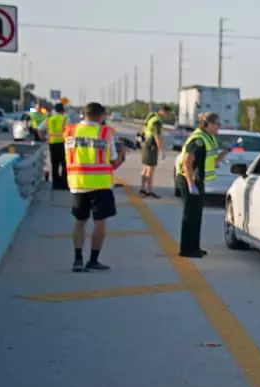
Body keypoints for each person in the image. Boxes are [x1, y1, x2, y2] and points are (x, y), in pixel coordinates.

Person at [65, 102, 126, 272]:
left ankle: (77, 259)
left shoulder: (70, 130)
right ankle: (93, 260)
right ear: (101, 116)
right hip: (100, 184)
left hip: (78, 183)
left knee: (79, 221)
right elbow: (113, 161)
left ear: (84, 114)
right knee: (99, 223)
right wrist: (122, 154)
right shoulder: (105, 133)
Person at [175, 112, 233, 257]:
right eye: (217, 124)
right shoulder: (198, 140)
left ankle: (195, 247)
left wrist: (227, 151)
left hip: (198, 180)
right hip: (189, 179)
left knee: (197, 215)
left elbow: (211, 161)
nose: (219, 127)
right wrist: (190, 184)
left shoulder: (209, 138)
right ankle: (186, 249)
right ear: (209, 125)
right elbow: (188, 163)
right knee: (190, 215)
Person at [139, 105, 171, 198]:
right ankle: (149, 190)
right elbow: (157, 136)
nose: (168, 116)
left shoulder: (151, 116)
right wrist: (161, 150)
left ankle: (142, 189)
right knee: (150, 169)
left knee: (145, 168)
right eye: (167, 113)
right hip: (151, 146)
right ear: (162, 112)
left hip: (145, 144)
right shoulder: (157, 121)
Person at [40, 103, 68, 190]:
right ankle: (64, 184)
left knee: (54, 165)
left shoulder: (49, 119)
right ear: (63, 110)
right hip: (63, 144)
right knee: (64, 164)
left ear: (55, 110)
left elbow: (39, 129)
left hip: (52, 144)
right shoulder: (65, 119)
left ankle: (55, 184)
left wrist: (43, 138)